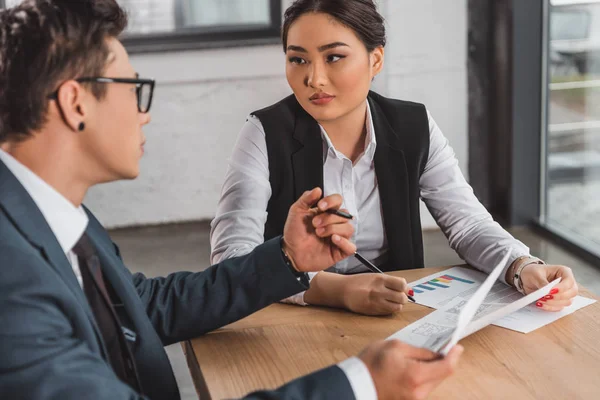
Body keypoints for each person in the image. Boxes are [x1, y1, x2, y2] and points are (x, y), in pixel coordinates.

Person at [0, 1, 463, 399]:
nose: (144, 115)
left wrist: (287, 257)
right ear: (76, 103)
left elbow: (145, 306)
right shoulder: (11, 280)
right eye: (134, 89)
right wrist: (361, 383)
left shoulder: (55, 217)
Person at [210, 0, 580, 316]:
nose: (314, 79)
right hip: (288, 313)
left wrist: (522, 266)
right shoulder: (264, 132)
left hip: (393, 311)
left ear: (375, 59)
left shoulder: (413, 125)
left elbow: (467, 224)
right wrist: (335, 290)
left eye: (334, 57)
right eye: (298, 60)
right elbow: (231, 260)